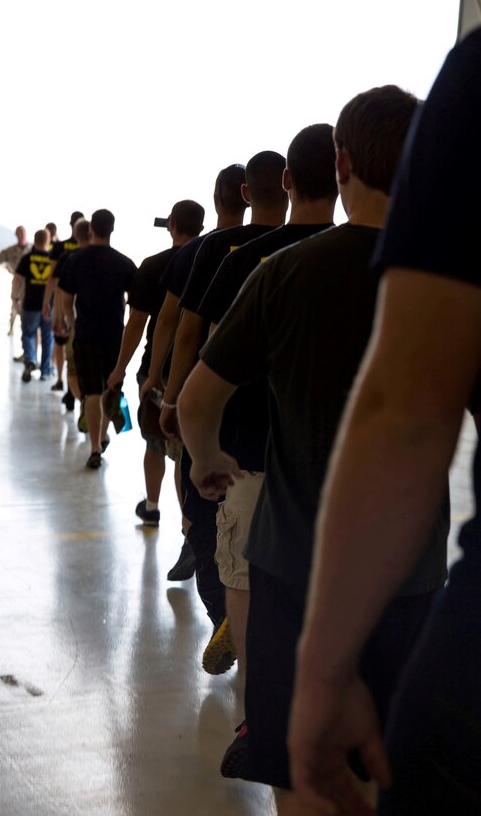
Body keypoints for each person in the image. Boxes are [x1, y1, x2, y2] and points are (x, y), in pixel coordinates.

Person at [178, 85, 448, 815]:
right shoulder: (449, 283)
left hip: (298, 572)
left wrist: (207, 461)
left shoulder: (287, 273)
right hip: (411, 576)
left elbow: (198, 401)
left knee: (301, 772)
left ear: (342, 164)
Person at [288, 29, 481, 816]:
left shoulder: (478, 83)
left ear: (343, 163)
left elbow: (408, 412)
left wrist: (322, 671)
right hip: (422, 569)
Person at [191, 123, 338, 776]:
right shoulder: (377, 260)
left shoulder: (253, 261)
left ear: (285, 181)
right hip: (339, 464)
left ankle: (259, 713)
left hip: (250, 451)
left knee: (245, 581)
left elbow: (207, 358)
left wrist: (202, 449)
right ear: (342, 175)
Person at [163, 150, 288, 676]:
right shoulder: (330, 248)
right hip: (307, 434)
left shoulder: (225, 252)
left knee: (208, 518)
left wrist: (173, 397)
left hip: (237, 421)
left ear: (244, 194)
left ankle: (226, 617)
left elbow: (190, 332)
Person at [140, 164, 247, 581]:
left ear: (217, 199)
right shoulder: (270, 248)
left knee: (189, 460)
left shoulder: (198, 252)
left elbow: (173, 323)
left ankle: (194, 537)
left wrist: (158, 379)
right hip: (249, 388)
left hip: (196, 381)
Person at [106, 200, 205, 526]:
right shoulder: (212, 258)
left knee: (156, 443)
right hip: (199, 370)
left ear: (171, 225)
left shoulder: (153, 265)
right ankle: (189, 526)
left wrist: (120, 369)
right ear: (201, 228)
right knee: (185, 452)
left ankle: (152, 506)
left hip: (157, 371)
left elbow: (136, 323)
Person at [59, 209, 137, 469]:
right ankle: (103, 436)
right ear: (112, 229)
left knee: (92, 392)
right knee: (110, 388)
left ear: (91, 229)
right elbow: (137, 305)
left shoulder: (76, 260)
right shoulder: (124, 263)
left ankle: (94, 447)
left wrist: (72, 325)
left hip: (86, 335)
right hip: (114, 336)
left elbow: (66, 300)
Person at [44, 211, 85, 407]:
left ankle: (62, 380)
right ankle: (73, 390)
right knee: (76, 350)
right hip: (81, 308)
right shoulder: (90, 250)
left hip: (63, 304)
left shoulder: (61, 249)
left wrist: (47, 302)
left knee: (61, 344)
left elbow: (52, 278)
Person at [12, 229, 53, 382]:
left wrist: (15, 298)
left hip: (30, 303)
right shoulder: (53, 259)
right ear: (47, 241)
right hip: (48, 305)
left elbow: (17, 279)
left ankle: (30, 359)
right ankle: (45, 372)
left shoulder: (27, 258)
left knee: (28, 335)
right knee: (47, 338)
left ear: (34, 240)